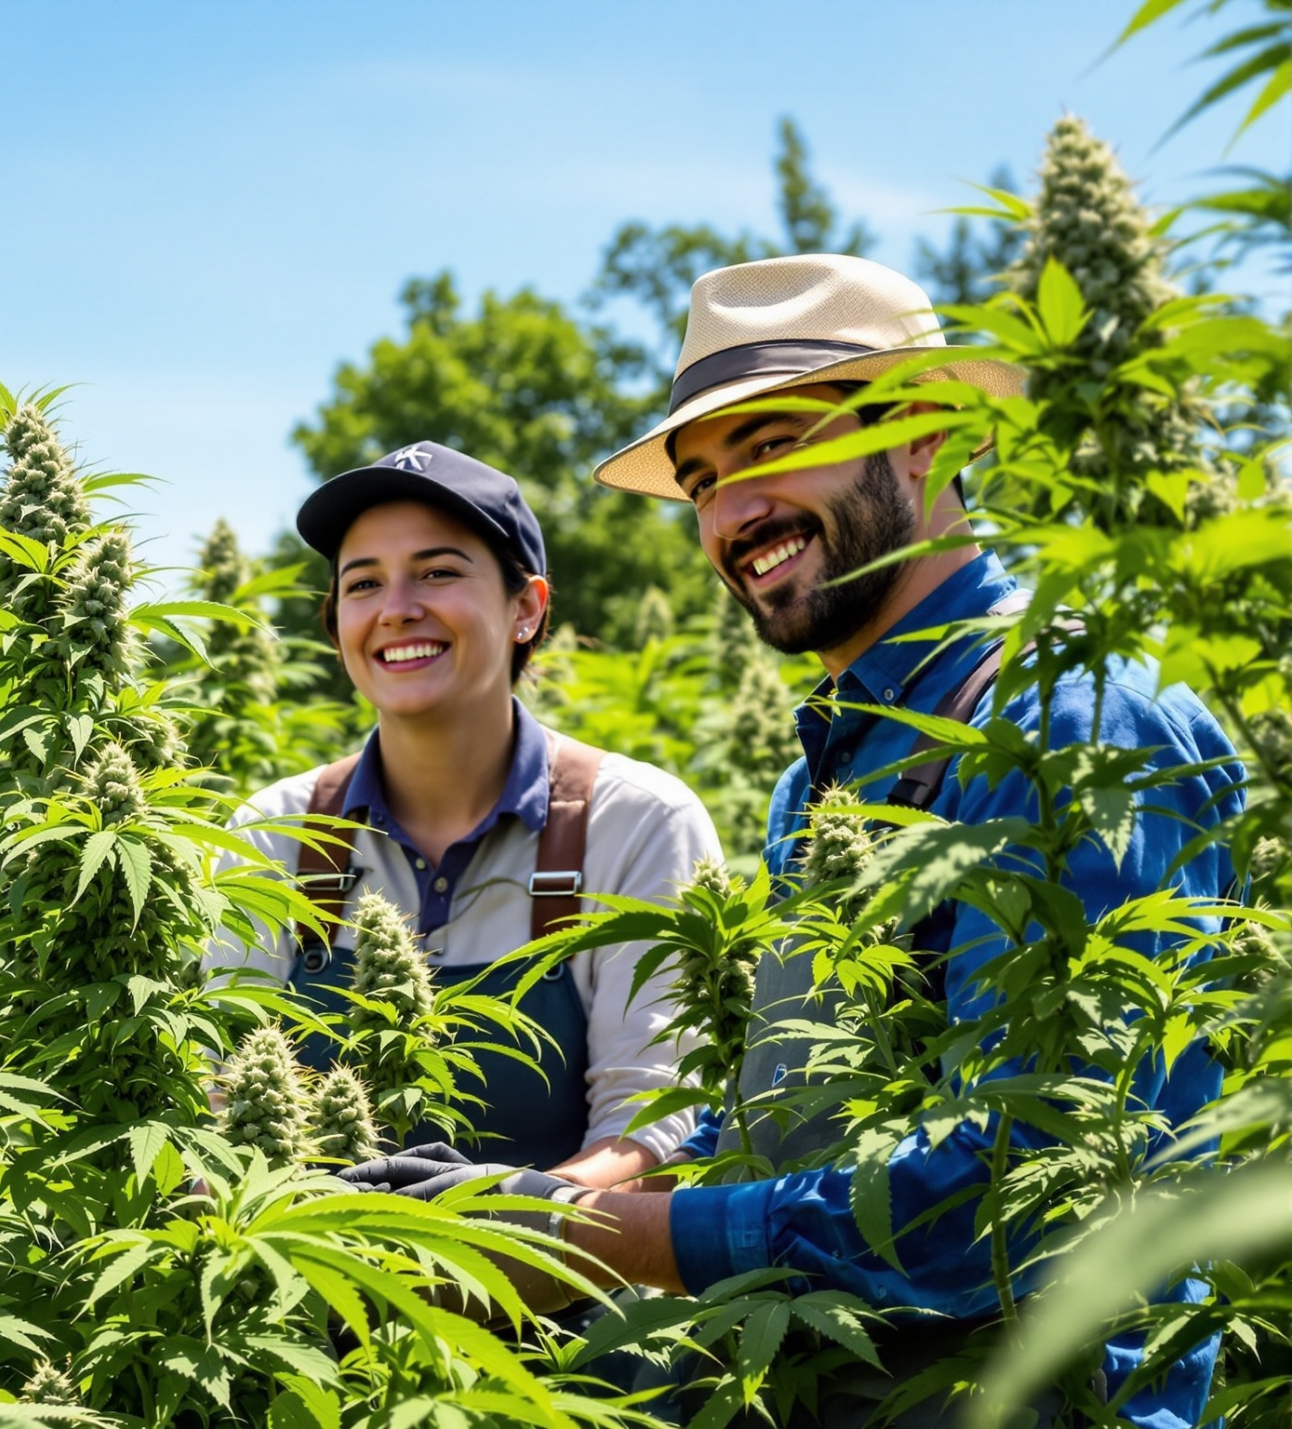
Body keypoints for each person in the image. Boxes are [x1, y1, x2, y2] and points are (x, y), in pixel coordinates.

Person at [340, 255, 1240, 1429]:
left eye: (769, 449)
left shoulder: (1071, 718)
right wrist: (544, 1197)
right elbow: (790, 1107)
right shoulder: (812, 780)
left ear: (924, 428)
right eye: (704, 481)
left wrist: (606, 1238)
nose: (729, 516)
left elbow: (1038, 1191)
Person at [206, 441, 722, 1188]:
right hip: (302, 1289)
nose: (396, 608)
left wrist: (489, 1235)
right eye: (363, 583)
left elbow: (656, 1127)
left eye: (438, 572)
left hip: (563, 1291)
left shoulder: (636, 822)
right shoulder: (274, 831)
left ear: (526, 608)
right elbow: (216, 1104)